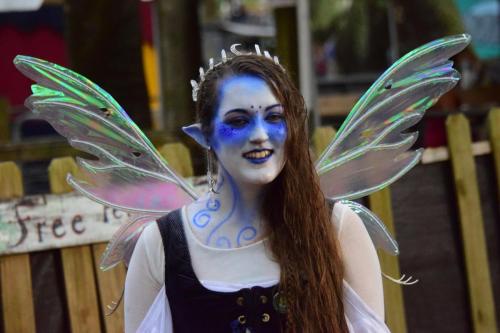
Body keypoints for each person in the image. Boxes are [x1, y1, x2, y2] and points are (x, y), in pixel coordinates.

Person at [124, 53, 389, 332]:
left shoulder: (338, 228)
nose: (260, 134)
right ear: (204, 135)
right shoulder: (160, 246)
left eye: (274, 117)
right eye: (239, 121)